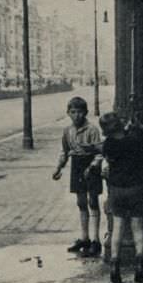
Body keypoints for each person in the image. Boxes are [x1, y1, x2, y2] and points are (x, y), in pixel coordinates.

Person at [90, 112, 143, 283]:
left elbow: (105, 153)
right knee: (138, 228)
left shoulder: (109, 144)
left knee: (117, 228)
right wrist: (137, 126)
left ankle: (115, 266)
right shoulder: (134, 140)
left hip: (117, 189)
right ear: (120, 125)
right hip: (137, 188)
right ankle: (140, 267)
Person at [52, 97, 103, 257]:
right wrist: (59, 167)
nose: (76, 116)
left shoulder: (92, 130)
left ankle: (96, 240)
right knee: (81, 202)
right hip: (77, 165)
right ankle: (84, 238)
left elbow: (100, 152)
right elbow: (65, 151)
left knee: (93, 201)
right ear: (68, 113)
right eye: (73, 112)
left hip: (91, 165)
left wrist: (93, 166)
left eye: (80, 112)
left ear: (85, 113)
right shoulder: (67, 131)